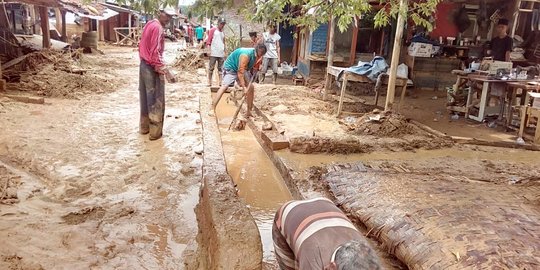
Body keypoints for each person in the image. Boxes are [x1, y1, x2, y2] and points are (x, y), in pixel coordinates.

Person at [272, 197, 382, 270]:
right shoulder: (312, 261)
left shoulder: (366, 253)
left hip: (324, 203)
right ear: (332, 267)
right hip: (287, 214)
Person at [138, 8, 176, 140]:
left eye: (170, 17)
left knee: (145, 98)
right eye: (167, 16)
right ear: (161, 14)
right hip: (151, 67)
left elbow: (142, 45)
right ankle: (154, 133)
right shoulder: (158, 28)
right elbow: (155, 52)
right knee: (156, 99)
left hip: (143, 64)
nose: (168, 20)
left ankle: (144, 128)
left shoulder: (149, 24)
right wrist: (166, 71)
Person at [212, 44, 267, 117]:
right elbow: (240, 72)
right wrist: (244, 87)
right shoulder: (245, 55)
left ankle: (248, 111)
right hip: (231, 68)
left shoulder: (257, 56)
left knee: (251, 87)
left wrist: (258, 66)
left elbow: (249, 68)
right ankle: (212, 108)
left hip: (243, 69)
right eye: (261, 54)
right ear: (257, 50)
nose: (261, 56)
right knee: (224, 87)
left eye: (263, 54)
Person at [206, 18, 227, 86]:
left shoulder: (223, 32)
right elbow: (209, 41)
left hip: (221, 53)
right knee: (211, 68)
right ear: (218, 23)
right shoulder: (213, 30)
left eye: (223, 24)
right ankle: (209, 81)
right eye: (221, 24)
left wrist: (225, 51)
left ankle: (220, 81)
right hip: (214, 52)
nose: (222, 25)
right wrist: (209, 50)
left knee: (220, 69)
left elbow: (224, 42)